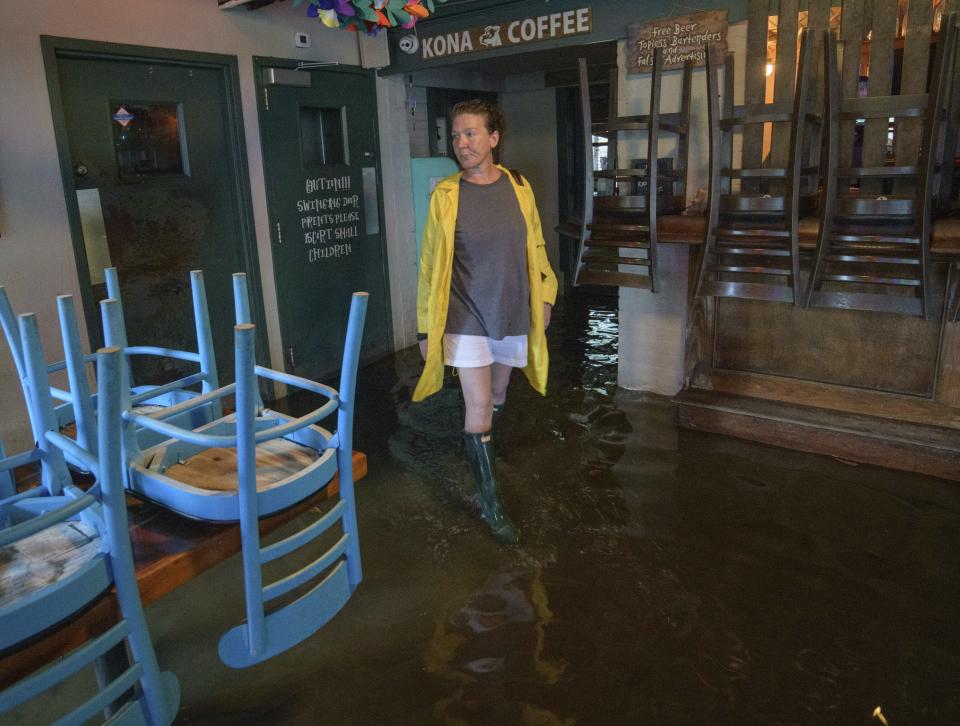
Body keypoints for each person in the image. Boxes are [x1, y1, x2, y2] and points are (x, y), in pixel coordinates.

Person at [413, 99, 558, 544]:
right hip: (465, 314)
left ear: (494, 138)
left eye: (471, 133)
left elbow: (534, 245)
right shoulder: (445, 195)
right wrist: (425, 327)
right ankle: (491, 507)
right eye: (457, 135)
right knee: (477, 406)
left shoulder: (518, 185)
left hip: (512, 308)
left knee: (497, 393)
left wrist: (546, 293)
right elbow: (431, 263)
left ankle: (483, 448)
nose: (462, 143)